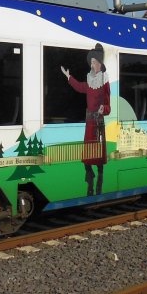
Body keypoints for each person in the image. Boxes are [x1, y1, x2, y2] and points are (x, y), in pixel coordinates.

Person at [61, 43, 110, 196]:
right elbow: (80, 87)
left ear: (100, 64)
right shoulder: (90, 80)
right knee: (88, 158)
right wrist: (69, 77)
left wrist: (104, 109)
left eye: (94, 62)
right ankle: (90, 181)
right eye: (91, 62)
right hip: (89, 123)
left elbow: (108, 104)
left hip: (98, 122)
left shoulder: (104, 81)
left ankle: (100, 181)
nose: (92, 65)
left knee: (99, 159)